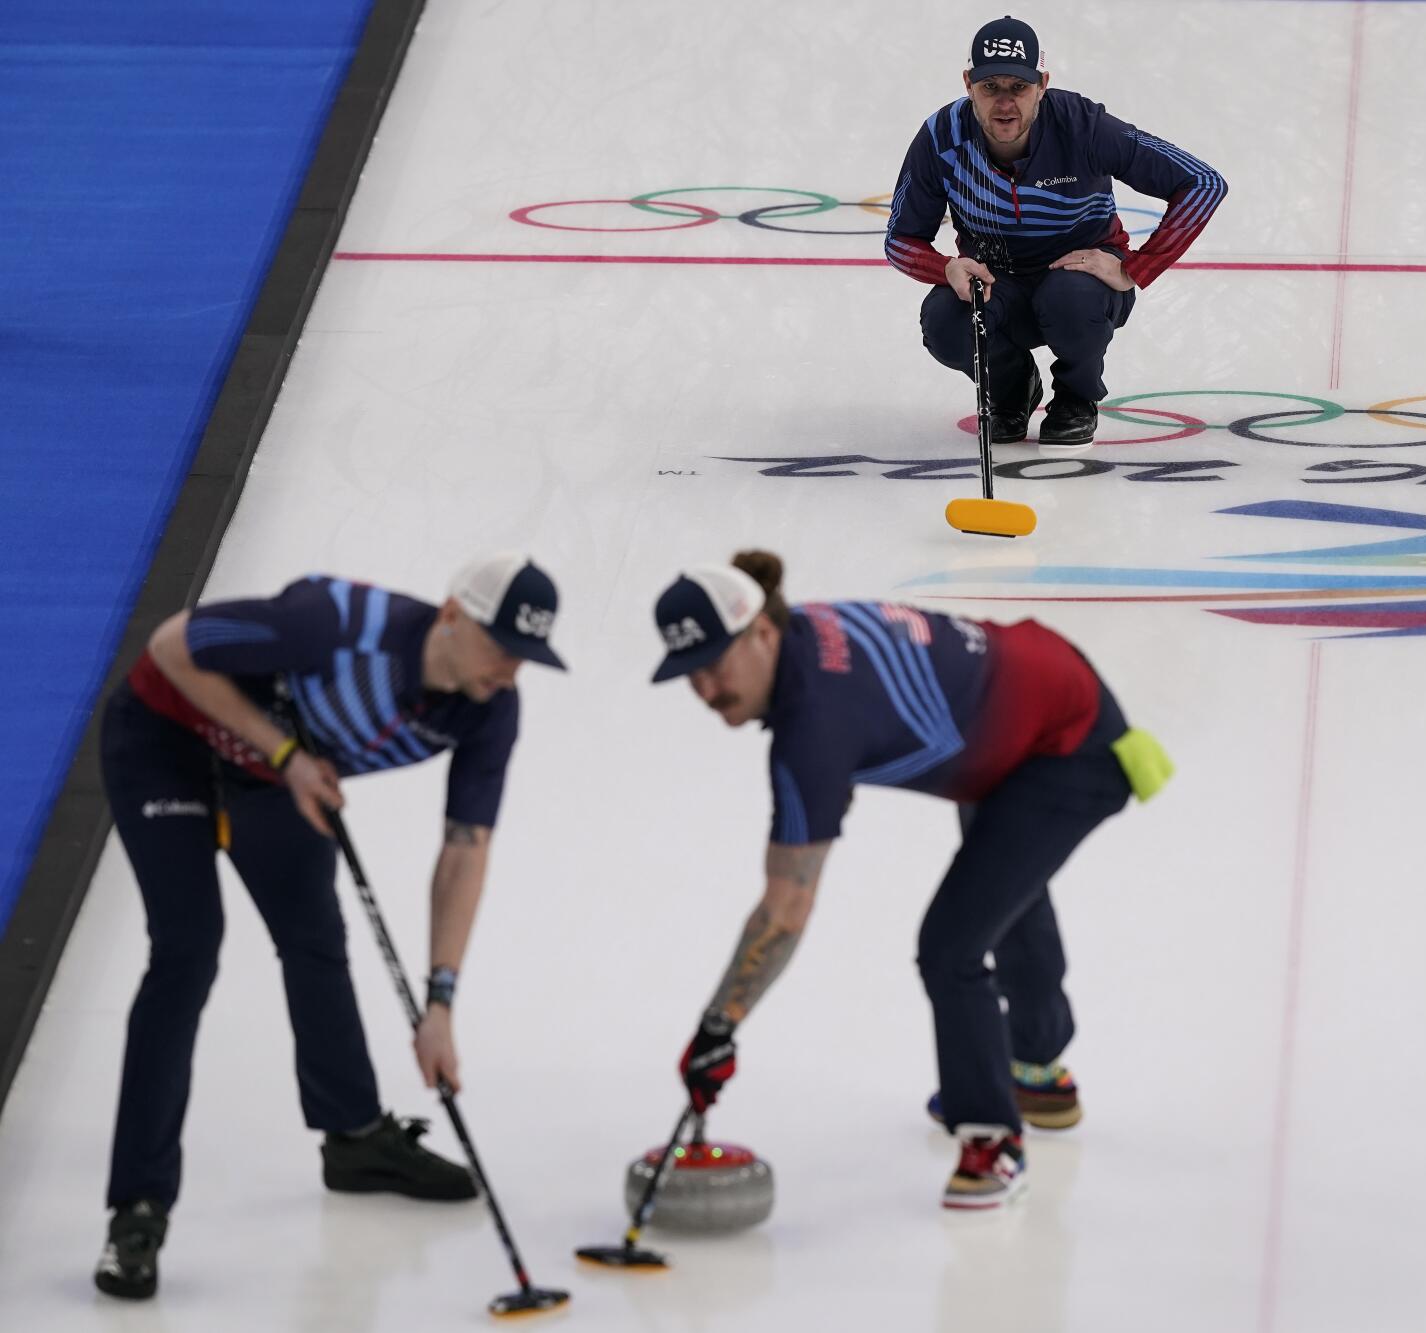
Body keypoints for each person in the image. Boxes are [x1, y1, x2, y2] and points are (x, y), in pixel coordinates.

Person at [92, 553, 566, 1300]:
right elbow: (170, 647)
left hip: (271, 771)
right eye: (501, 647)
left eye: (526, 656)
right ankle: (137, 1208)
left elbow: (464, 850)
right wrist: (284, 753)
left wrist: (439, 1004)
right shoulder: (334, 624)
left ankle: (354, 1139)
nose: (510, 670)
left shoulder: (488, 709)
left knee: (314, 933)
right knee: (188, 948)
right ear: (450, 614)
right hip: (166, 738)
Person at [654, 552, 1172, 1209]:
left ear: (761, 632)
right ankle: (1035, 1068)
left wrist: (718, 1027)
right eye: (689, 674)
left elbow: (785, 909)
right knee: (1004, 882)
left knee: (951, 946)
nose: (705, 692)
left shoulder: (814, 727)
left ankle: (992, 1136)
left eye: (714, 665)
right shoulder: (801, 637)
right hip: (1034, 701)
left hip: (1070, 747)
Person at [886, 15, 1227, 448]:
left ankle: (1076, 399)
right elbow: (900, 238)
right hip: (997, 284)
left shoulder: (1083, 126)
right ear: (968, 83)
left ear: (1042, 85)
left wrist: (1137, 267)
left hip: (1081, 284)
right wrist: (947, 268)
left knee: (1069, 298)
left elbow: (1202, 182)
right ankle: (1012, 391)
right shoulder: (941, 138)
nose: (1005, 104)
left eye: (1019, 88)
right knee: (945, 322)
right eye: (991, 88)